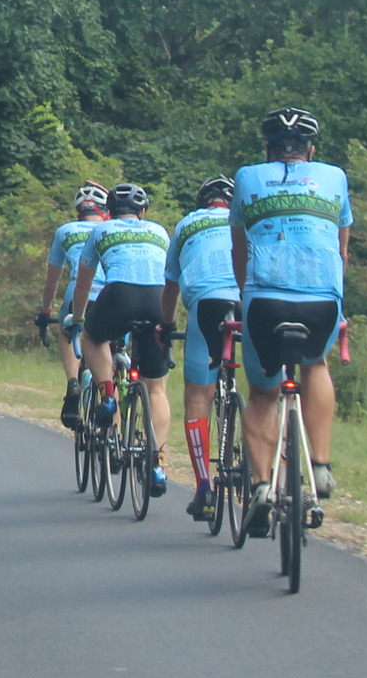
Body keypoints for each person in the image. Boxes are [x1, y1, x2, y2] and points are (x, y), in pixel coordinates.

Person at [230, 107, 352, 537]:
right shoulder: (335, 177)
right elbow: (342, 251)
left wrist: (247, 301)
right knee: (315, 364)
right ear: (311, 150)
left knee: (262, 394)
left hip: (264, 299)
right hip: (322, 299)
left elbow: (239, 254)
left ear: (268, 149)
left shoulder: (246, 177)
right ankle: (319, 465)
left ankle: (262, 488)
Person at [71, 182, 173, 497]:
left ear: (109, 212)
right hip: (156, 300)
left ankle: (109, 393)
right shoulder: (159, 231)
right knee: (156, 388)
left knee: (92, 337)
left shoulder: (100, 232)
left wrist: (77, 320)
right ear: (143, 212)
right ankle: (157, 465)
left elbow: (84, 284)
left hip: (117, 295)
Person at [163, 177, 241, 522]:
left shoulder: (187, 224)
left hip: (206, 304)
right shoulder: (245, 220)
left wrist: (166, 326)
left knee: (198, 395)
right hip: (248, 300)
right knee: (266, 392)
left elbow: (171, 286)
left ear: (202, 203)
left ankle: (204, 487)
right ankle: (267, 478)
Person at [38, 183, 108, 427]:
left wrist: (45, 311)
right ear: (105, 211)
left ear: (79, 211)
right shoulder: (112, 228)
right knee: (107, 342)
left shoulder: (65, 231)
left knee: (68, 332)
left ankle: (72, 383)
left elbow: (51, 282)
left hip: (77, 293)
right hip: (112, 294)